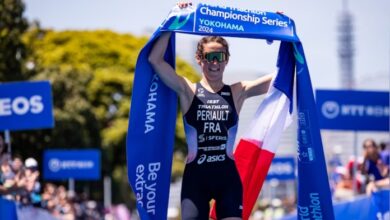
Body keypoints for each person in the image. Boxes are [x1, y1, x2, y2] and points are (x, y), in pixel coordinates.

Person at [148, 2, 273, 219]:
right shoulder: (187, 90)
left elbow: (280, 79)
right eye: (209, 57)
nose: (214, 63)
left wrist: (279, 31)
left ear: (226, 60)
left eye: (219, 57)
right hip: (196, 179)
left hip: (228, 179)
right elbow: (154, 60)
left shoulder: (238, 91)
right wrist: (174, 20)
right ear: (199, 59)